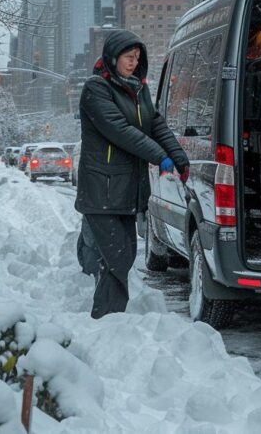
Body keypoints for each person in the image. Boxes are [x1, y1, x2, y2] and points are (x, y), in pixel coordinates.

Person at [75, 30, 189, 319]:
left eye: (137, 58)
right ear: (113, 58)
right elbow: (119, 131)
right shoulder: (96, 89)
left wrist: (178, 157)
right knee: (119, 257)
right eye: (128, 57)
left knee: (123, 253)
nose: (134, 63)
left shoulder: (138, 89)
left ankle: (90, 263)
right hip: (102, 188)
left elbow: (156, 124)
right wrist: (159, 156)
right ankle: (107, 320)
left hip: (126, 190)